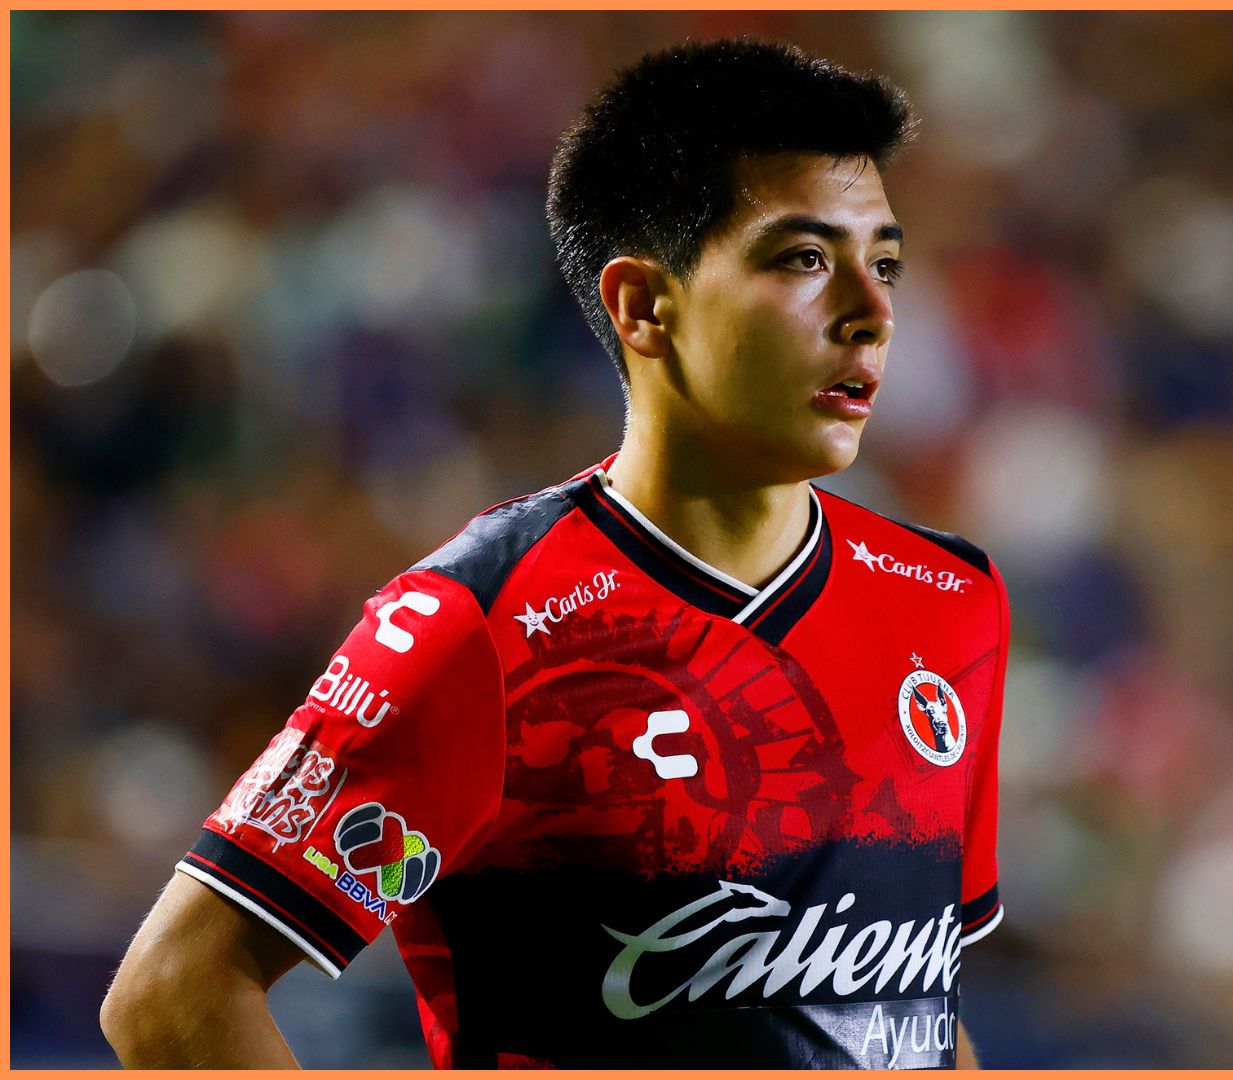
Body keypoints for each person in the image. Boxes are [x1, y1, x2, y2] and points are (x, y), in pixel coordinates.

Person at [100, 37, 1008, 1069]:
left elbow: (912, 1008)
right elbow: (174, 992)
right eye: (804, 260)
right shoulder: (478, 626)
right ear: (643, 305)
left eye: (884, 263)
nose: (873, 314)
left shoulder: (952, 598)